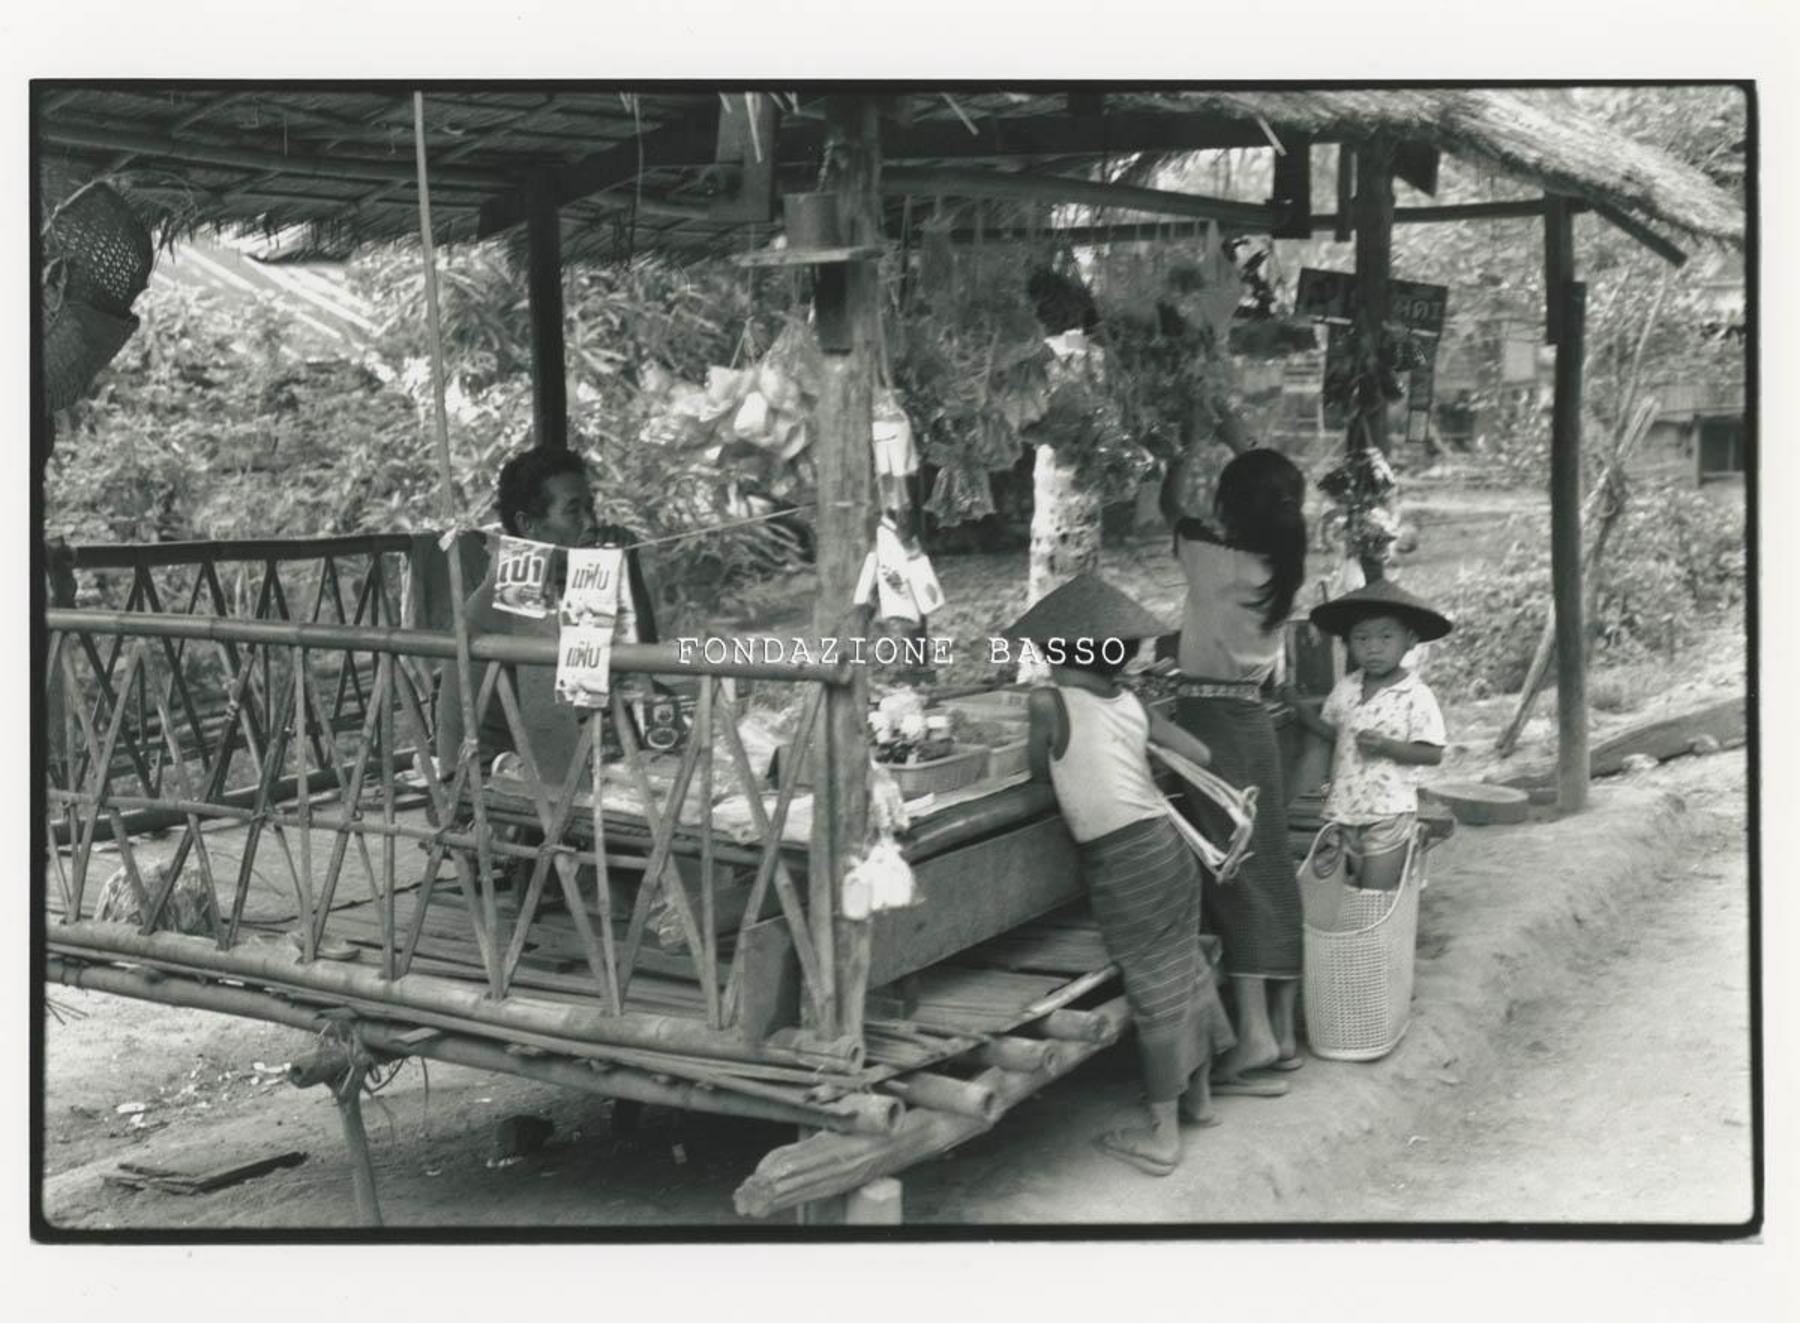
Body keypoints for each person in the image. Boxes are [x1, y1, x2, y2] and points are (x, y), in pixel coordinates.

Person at [1013, 573, 1237, 1177]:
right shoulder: (1131, 702)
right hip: (1166, 847)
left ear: (1056, 653)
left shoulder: (1048, 704)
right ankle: (1199, 1100)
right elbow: (1201, 755)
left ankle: (1164, 1137)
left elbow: (1039, 775)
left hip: (1126, 862)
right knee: (1184, 968)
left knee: (1153, 989)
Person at [1160, 443, 1307, 1094]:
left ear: (1230, 505)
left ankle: (1253, 1035)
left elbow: (1169, 507)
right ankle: (1284, 1032)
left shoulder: (1210, 558)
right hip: (1254, 720)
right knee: (1269, 868)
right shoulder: (1281, 567)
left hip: (1212, 723)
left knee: (1233, 875)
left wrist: (1178, 452)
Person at [434, 446, 658, 788]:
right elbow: (581, 695)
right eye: (573, 511)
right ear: (528, 524)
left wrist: (628, 568)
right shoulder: (517, 586)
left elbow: (642, 659)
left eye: (590, 508)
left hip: (543, 761)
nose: (591, 524)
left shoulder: (559, 580)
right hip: (481, 781)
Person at [1302, 580, 1452, 890]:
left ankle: (1411, 848)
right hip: (1342, 812)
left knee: (1373, 897)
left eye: (1386, 637)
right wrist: (1297, 708)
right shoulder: (1345, 688)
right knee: (1342, 894)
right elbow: (1333, 734)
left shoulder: (1415, 694)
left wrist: (1387, 747)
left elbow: (1432, 754)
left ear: (1410, 640)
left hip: (1389, 813)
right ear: (1347, 643)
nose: (1373, 647)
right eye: (1362, 638)